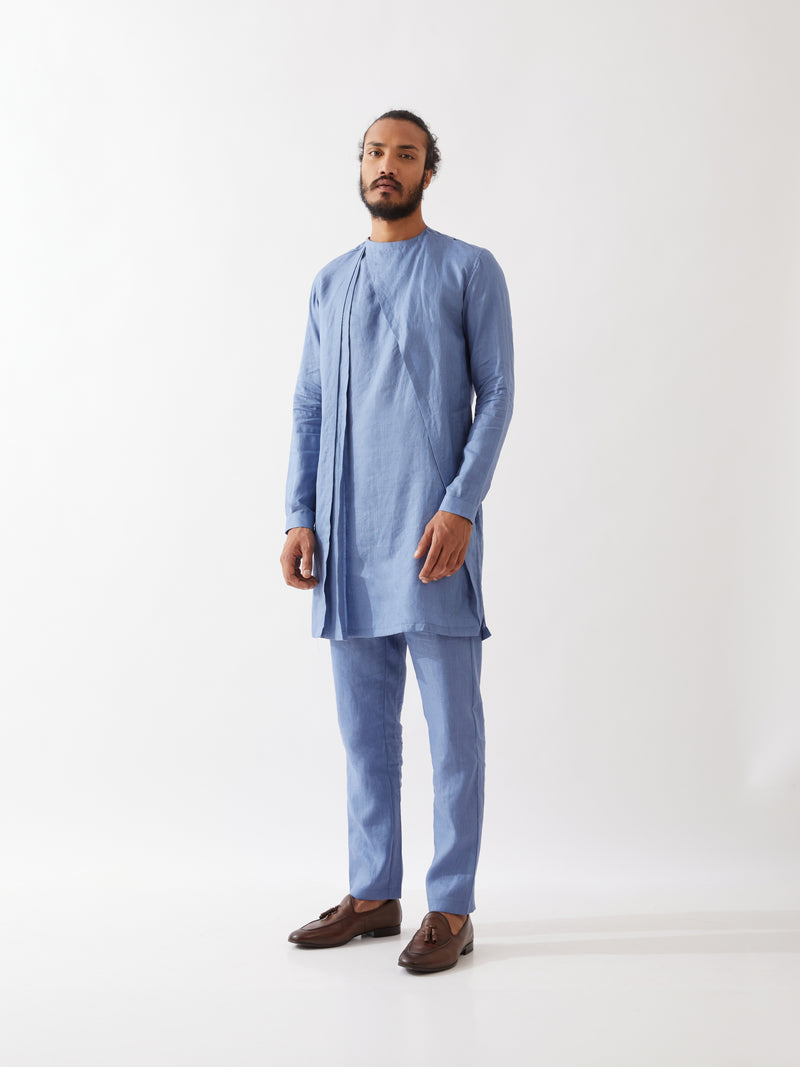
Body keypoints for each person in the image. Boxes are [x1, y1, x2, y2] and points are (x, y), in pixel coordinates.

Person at [280, 109, 514, 973]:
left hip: (430, 539)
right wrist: (298, 515)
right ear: (361, 166)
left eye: (405, 154)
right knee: (364, 735)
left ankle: (451, 905)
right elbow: (309, 403)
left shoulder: (467, 269)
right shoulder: (330, 282)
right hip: (347, 542)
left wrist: (460, 506)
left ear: (428, 171)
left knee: (454, 735)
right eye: (376, 152)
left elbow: (497, 393)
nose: (388, 165)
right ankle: (374, 893)